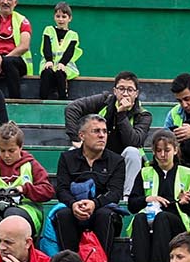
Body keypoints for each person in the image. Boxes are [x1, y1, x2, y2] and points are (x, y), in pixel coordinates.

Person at [64, 71, 152, 199]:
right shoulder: (104, 101)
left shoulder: (143, 115)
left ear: (136, 93)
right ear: (115, 91)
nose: (125, 93)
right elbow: (72, 108)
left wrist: (121, 114)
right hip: (100, 155)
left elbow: (134, 141)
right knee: (73, 151)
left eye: (130, 90)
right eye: (121, 89)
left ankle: (127, 197)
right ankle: (78, 195)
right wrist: (75, 138)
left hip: (123, 159)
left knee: (133, 152)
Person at [51, 113, 124, 262]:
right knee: (64, 214)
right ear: (82, 135)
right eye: (96, 131)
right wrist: (73, 204)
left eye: (104, 131)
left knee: (105, 215)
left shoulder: (117, 161)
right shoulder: (67, 158)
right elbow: (62, 189)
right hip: (75, 209)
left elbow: (115, 193)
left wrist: (94, 204)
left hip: (102, 210)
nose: (102, 135)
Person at [127, 130, 190, 262]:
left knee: (162, 217)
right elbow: (132, 205)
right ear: (153, 151)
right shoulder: (145, 173)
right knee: (139, 218)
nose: (163, 155)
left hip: (176, 223)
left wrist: (183, 202)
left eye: (167, 150)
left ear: (175, 150)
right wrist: (148, 199)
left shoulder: (188, 174)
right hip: (149, 218)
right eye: (159, 151)